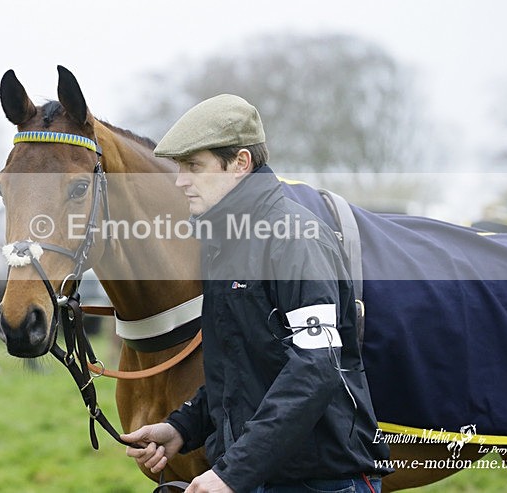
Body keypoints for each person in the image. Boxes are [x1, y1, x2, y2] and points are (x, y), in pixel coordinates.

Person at [121, 95, 390, 492]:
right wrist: (182, 427)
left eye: (194, 166)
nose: (180, 181)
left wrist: (232, 473)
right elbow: (240, 367)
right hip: (257, 477)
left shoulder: (296, 238)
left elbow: (315, 370)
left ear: (241, 163)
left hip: (321, 482)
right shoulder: (221, 244)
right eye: (179, 167)